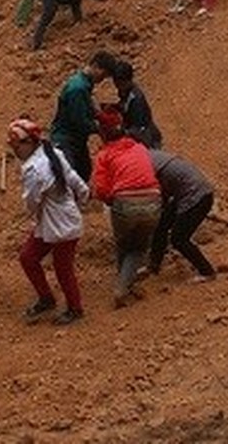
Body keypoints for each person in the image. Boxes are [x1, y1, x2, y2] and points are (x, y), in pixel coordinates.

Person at [10, 118, 90, 326]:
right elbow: (73, 178)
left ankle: (75, 308)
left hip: (59, 223)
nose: (15, 150)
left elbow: (31, 201)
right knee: (28, 258)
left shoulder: (34, 169)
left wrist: (34, 215)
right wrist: (82, 198)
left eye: (16, 145)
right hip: (58, 220)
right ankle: (46, 298)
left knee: (62, 268)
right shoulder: (53, 154)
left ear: (28, 143)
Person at [92, 109, 161, 308]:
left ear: (103, 134)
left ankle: (121, 288)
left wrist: (111, 201)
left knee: (125, 245)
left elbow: (102, 189)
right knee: (140, 247)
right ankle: (128, 284)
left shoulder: (104, 155)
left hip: (124, 203)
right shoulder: (139, 148)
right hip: (153, 200)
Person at [146, 149, 216, 280]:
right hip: (190, 193)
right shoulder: (152, 156)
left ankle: (207, 271)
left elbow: (160, 191)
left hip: (197, 197)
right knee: (161, 225)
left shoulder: (148, 165)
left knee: (179, 239)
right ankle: (154, 266)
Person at [49, 51, 119, 181]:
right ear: (96, 66)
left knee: (84, 169)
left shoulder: (84, 84)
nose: (101, 80)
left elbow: (88, 106)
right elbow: (79, 121)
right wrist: (99, 128)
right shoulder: (78, 88)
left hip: (75, 139)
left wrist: (97, 113)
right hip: (66, 138)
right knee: (69, 174)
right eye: (103, 75)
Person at [110, 60, 162, 148]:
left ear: (128, 80)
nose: (117, 87)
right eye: (116, 83)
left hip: (147, 139)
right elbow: (124, 106)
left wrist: (122, 132)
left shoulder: (137, 100)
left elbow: (138, 128)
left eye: (120, 84)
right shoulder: (125, 91)